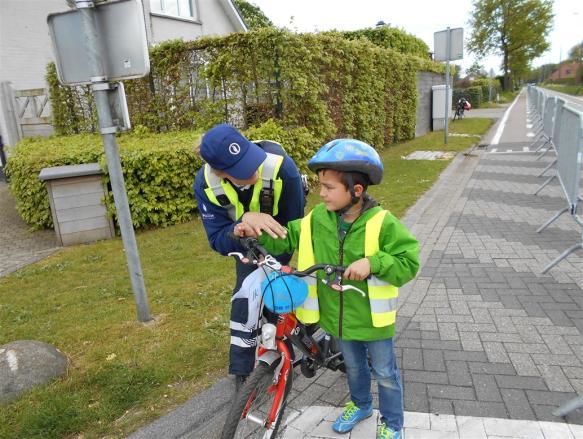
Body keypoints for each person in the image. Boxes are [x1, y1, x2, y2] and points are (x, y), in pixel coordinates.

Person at [235, 139, 419, 439]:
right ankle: (361, 405)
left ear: (356, 191)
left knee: (385, 374)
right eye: (320, 185)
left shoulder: (383, 223)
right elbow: (287, 236)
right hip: (337, 318)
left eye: (329, 187)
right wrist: (258, 233)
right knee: (356, 369)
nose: (321, 193)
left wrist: (373, 263)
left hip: (373, 322)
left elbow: (408, 261)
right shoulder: (318, 218)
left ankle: (392, 422)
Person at [193, 123, 305, 390]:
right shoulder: (206, 184)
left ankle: (284, 356)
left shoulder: (282, 169)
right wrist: (242, 224)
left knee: (278, 297)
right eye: (243, 170)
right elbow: (217, 238)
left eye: (250, 160)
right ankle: (243, 371)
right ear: (221, 173)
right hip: (242, 244)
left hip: (279, 238)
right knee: (244, 300)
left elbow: (296, 225)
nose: (253, 171)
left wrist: (271, 251)